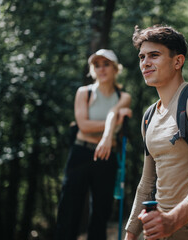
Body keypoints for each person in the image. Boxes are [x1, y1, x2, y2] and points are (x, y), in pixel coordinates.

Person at [124, 25, 188, 240]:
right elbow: (147, 183)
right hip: (160, 228)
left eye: (154, 55)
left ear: (178, 61)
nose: (145, 62)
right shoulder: (149, 115)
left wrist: (173, 221)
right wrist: (130, 233)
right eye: (141, 57)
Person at [55, 49, 132, 240]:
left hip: (107, 158)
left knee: (101, 212)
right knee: (69, 209)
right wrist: (113, 125)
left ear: (115, 69)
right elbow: (84, 125)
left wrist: (112, 124)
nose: (101, 69)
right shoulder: (84, 92)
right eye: (97, 65)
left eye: (106, 64)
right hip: (81, 153)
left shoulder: (123, 97)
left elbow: (113, 113)